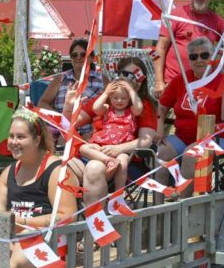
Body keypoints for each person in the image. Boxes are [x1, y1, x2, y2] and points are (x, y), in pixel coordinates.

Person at [0, 108, 78, 268]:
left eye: (21, 137)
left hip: (47, 240)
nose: (13, 142)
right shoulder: (8, 173)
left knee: (24, 244)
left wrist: (21, 223)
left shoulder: (57, 171)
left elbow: (67, 216)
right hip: (13, 238)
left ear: (37, 140)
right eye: (11, 136)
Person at [65, 57, 157, 206]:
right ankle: (68, 220)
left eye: (135, 76)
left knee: (94, 169)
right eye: (125, 74)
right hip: (95, 150)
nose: (129, 79)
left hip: (124, 158)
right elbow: (71, 123)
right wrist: (69, 106)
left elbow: (145, 140)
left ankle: (97, 222)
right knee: (61, 169)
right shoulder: (108, 99)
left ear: (142, 79)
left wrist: (116, 149)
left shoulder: (142, 105)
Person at [156, 37, 224, 195]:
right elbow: (162, 105)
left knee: (190, 154)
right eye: (194, 56)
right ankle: (158, 210)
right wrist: (160, 129)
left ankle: (184, 206)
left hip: (217, 138)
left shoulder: (222, 80)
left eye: (204, 55)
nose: (199, 60)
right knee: (161, 154)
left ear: (212, 57)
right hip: (183, 138)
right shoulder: (182, 79)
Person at [153, 0, 224, 98]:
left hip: (202, 85)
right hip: (173, 83)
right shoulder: (175, 16)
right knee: (168, 115)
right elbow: (160, 47)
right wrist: (159, 81)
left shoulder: (216, 21)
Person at [78, 80, 143, 196]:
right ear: (110, 98)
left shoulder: (132, 111)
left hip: (119, 149)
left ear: (129, 99)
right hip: (102, 146)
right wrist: (105, 93)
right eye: (115, 97)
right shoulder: (107, 109)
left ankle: (118, 195)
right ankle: (107, 161)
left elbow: (138, 107)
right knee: (83, 147)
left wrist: (131, 91)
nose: (119, 101)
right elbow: (95, 108)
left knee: (123, 160)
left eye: (123, 98)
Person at [37, 38, 107, 139]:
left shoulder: (102, 79)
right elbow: (42, 103)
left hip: (92, 132)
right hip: (63, 130)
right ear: (71, 58)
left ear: (91, 58)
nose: (78, 57)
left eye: (83, 54)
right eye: (74, 55)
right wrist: (61, 119)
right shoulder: (60, 78)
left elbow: (110, 106)